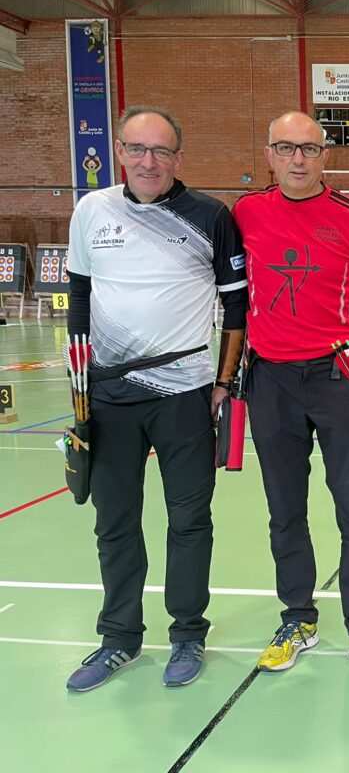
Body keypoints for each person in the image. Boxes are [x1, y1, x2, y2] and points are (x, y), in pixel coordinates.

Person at [64, 105, 248, 691]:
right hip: (109, 396)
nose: (149, 161)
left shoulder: (210, 216)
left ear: (178, 158)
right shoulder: (91, 211)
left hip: (186, 395)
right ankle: (118, 637)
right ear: (119, 151)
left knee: (189, 519)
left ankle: (188, 633)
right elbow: (79, 298)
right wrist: (80, 393)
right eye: (137, 149)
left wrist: (223, 382)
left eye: (161, 151)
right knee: (114, 522)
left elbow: (237, 306)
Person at [233, 111, 349, 681]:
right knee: (285, 510)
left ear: (324, 155)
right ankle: (297, 618)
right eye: (286, 148)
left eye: (308, 148)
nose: (298, 159)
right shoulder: (246, 214)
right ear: (269, 154)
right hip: (270, 381)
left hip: (337, 377)